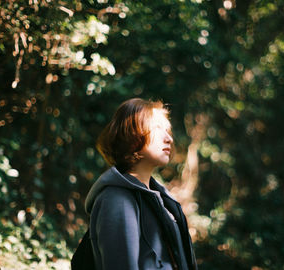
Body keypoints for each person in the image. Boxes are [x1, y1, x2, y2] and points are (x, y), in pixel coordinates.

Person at [84, 98, 198, 270]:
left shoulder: (159, 197)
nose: (169, 139)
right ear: (132, 135)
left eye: (168, 130)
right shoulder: (117, 200)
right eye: (158, 128)